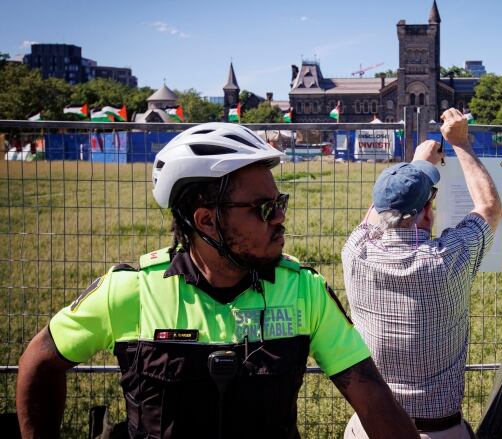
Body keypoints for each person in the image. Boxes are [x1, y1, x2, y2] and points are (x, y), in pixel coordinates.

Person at [16, 123, 418, 439]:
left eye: (280, 203)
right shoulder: (133, 292)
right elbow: (39, 361)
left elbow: (373, 399)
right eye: (264, 208)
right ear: (207, 220)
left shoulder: (303, 291)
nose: (280, 218)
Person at [341, 108, 501, 438]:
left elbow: (378, 214)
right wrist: (461, 142)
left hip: (370, 427)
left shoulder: (355, 252)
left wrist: (416, 167)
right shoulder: (446, 259)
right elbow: (488, 208)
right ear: (428, 214)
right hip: (438, 431)